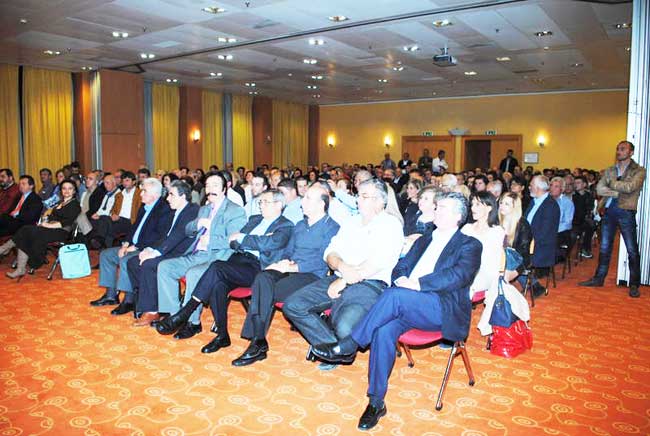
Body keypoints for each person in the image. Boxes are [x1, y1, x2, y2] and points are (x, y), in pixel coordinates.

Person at [310, 192, 482, 430]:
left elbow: (458, 275)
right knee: (383, 330)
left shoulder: (470, 244)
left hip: (441, 308)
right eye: (437, 206)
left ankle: (350, 343)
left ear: (457, 216)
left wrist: (417, 284)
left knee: (393, 295)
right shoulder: (424, 240)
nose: (436, 209)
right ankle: (376, 401)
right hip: (408, 303)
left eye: (442, 207)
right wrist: (402, 279)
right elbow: (400, 266)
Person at [155, 189, 294, 354]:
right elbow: (233, 242)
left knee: (217, 267)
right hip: (237, 260)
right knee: (218, 285)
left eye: (265, 202)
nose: (261, 205)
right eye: (260, 202)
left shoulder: (286, 225)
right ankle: (222, 336)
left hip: (258, 267)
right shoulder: (254, 219)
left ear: (278, 204)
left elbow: (269, 243)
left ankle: (185, 312)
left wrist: (244, 239)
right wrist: (249, 240)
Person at [283, 179, 404, 362]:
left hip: (371, 284)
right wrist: (341, 267)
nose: (358, 200)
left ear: (380, 201)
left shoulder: (390, 225)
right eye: (358, 195)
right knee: (293, 305)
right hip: (340, 276)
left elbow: (378, 262)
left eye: (364, 196)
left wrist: (345, 279)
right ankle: (337, 350)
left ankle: (337, 347)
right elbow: (330, 253)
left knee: (344, 327)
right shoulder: (351, 222)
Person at [231, 184, 340, 366]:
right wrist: (281, 263)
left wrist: (295, 267)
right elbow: (288, 251)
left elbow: (324, 259)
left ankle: (257, 342)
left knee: (268, 289)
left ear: (322, 204)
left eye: (308, 199)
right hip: (291, 269)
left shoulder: (332, 227)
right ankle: (258, 340)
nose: (302, 202)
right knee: (262, 277)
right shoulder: (300, 225)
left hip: (311, 275)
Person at [154, 173, 247, 340]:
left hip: (218, 257)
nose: (210, 189)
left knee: (193, 273)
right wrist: (198, 223)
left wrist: (211, 239)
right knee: (165, 267)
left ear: (224, 189)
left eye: (215, 185)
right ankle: (175, 316)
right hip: (197, 254)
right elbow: (188, 230)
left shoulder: (235, 211)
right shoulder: (204, 209)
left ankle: (193, 322)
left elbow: (234, 240)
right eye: (208, 186)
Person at [90, 178, 171, 315]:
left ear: (155, 194)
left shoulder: (164, 210)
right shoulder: (144, 207)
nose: (141, 194)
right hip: (133, 246)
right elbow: (134, 228)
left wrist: (135, 247)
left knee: (125, 260)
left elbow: (159, 236)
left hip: (148, 249)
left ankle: (128, 300)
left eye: (144, 191)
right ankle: (110, 295)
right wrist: (126, 243)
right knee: (106, 255)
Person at [126, 180, 199, 326]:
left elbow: (177, 236)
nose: (167, 198)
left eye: (171, 195)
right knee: (133, 262)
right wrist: (149, 249)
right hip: (169, 249)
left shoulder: (191, 211)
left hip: (182, 253)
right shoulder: (174, 211)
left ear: (183, 196)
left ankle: (152, 311)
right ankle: (152, 303)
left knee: (149, 264)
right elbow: (164, 235)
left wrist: (155, 253)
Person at [579, 140, 646, 297]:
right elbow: (599, 189)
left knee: (632, 249)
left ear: (631, 152)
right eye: (617, 149)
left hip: (626, 211)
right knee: (604, 247)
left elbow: (631, 187)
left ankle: (634, 284)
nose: (619, 151)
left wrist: (612, 184)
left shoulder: (639, 170)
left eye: (623, 149)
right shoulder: (610, 170)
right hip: (609, 210)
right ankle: (599, 278)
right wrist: (616, 191)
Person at [0, 179, 81, 279]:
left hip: (62, 232)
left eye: (70, 188)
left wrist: (48, 225)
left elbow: (66, 222)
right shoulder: (60, 203)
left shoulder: (74, 204)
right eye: (64, 188)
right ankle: (18, 266)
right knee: (25, 232)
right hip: (50, 229)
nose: (67, 191)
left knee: (26, 231)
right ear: (61, 190)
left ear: (74, 191)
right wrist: (46, 221)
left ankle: (4, 250)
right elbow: (52, 217)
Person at [462, 191, 508, 295]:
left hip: (485, 273)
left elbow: (490, 262)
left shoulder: (496, 231)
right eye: (472, 204)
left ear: (489, 208)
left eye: (477, 204)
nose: (473, 208)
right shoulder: (467, 228)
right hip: (465, 269)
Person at [525, 175, 560, 297]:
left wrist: (525, 243)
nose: (529, 187)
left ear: (538, 188)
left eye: (531, 185)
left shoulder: (551, 206)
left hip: (541, 246)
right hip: (529, 241)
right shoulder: (533, 201)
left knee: (515, 259)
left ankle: (535, 285)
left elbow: (543, 233)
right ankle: (534, 285)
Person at [499, 192, 532, 277]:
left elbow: (523, 253)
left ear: (514, 207)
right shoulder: (496, 221)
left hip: (516, 262)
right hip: (498, 259)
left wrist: (515, 271)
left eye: (506, 204)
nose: (501, 206)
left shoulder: (523, 225)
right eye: (501, 203)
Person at [572, 176, 596, 258]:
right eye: (575, 183)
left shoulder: (589, 196)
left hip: (584, 220)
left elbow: (590, 209)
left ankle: (585, 249)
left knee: (590, 226)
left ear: (584, 184)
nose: (576, 185)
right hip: (573, 220)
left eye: (578, 183)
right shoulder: (573, 196)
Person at [549, 176, 575, 250]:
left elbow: (567, 223)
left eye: (556, 186)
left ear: (562, 189)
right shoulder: (545, 200)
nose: (552, 188)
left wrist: (553, 230)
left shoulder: (567, 202)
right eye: (551, 185)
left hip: (560, 231)